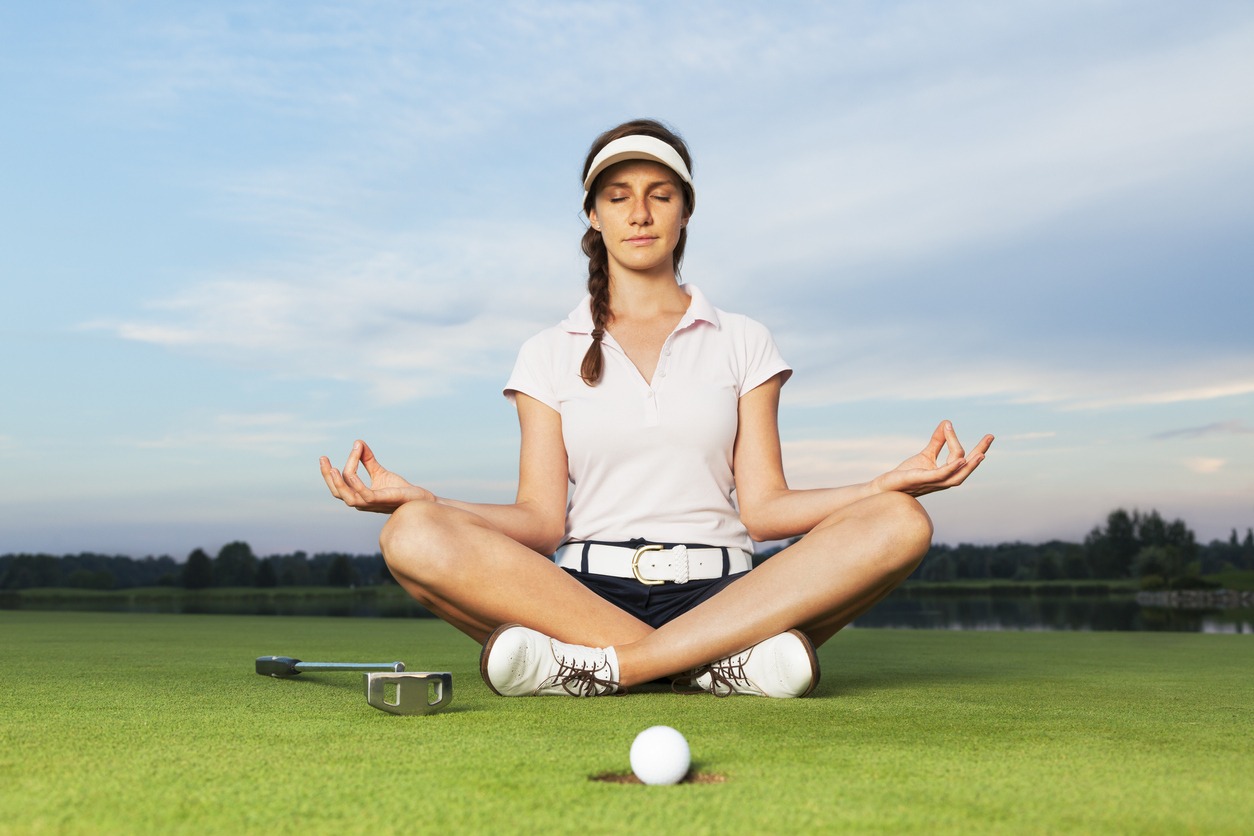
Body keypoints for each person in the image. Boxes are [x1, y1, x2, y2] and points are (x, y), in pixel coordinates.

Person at [320, 118, 993, 699]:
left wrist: (878, 487)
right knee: (409, 534)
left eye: (658, 195)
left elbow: (764, 512)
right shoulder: (547, 351)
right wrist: (428, 501)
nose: (639, 214)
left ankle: (613, 670)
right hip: (581, 598)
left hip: (728, 594)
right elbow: (538, 521)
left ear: (685, 211)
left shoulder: (742, 339)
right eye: (618, 197)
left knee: (901, 521)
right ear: (593, 214)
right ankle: (715, 666)